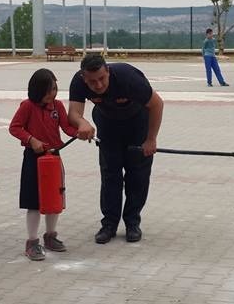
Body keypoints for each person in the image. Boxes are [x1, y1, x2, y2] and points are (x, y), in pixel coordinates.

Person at [68, 55, 164, 244]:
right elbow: (73, 113)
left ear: (108, 72)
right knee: (110, 173)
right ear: (84, 78)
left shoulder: (128, 78)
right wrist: (82, 122)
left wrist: (151, 139)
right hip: (107, 123)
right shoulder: (78, 82)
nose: (98, 85)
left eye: (102, 78)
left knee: (137, 175)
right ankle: (109, 224)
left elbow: (157, 104)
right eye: (92, 81)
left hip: (138, 122)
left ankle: (132, 222)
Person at [9, 69, 78, 260]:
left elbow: (67, 127)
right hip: (33, 159)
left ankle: (51, 237)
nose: (52, 94)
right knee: (34, 202)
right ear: (37, 90)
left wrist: (82, 130)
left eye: (54, 89)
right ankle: (32, 242)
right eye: (48, 90)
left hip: (54, 158)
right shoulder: (27, 106)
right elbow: (14, 127)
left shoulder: (57, 106)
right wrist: (31, 140)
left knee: (54, 200)